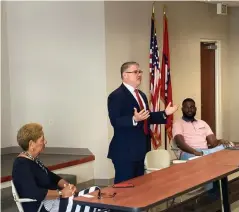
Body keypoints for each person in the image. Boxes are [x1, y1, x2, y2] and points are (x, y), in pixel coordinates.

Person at [107, 61, 178, 184]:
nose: (139, 74)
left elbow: (147, 117)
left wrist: (164, 113)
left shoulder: (141, 95)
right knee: (125, 190)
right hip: (125, 151)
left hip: (140, 150)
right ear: (125, 75)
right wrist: (134, 119)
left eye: (140, 71)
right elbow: (115, 121)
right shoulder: (116, 96)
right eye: (135, 72)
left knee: (139, 188)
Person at [12, 123, 103, 212]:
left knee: (95, 191)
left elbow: (52, 177)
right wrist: (62, 193)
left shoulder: (33, 160)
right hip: (45, 207)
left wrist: (68, 187)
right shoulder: (21, 165)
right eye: (42, 139)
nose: (45, 142)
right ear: (31, 144)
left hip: (55, 202)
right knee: (97, 202)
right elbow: (34, 192)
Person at [172, 98, 233, 197]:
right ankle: (212, 192)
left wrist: (221, 141)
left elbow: (213, 143)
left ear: (195, 109)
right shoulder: (178, 123)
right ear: (182, 109)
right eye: (187, 107)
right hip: (188, 153)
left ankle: (219, 189)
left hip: (205, 152)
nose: (189, 109)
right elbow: (180, 143)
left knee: (224, 148)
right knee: (207, 161)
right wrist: (195, 152)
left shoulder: (202, 123)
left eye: (192, 107)